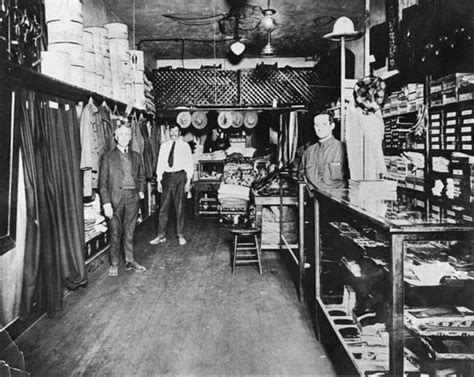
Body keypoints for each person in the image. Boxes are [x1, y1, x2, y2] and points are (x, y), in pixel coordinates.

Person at [99, 124, 147, 276]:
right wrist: (106, 203)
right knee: (115, 233)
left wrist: (140, 191)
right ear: (116, 137)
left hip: (132, 198)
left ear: (131, 137)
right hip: (114, 200)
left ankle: (130, 260)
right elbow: (102, 183)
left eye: (127, 134)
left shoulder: (136, 156)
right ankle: (114, 263)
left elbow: (141, 176)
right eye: (122, 134)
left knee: (130, 232)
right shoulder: (107, 157)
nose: (125, 137)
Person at [150, 123, 194, 246]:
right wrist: (159, 180)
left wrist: (188, 181)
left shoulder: (185, 146)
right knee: (163, 208)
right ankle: (161, 235)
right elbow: (160, 163)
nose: (174, 134)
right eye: (172, 131)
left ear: (180, 132)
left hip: (180, 177)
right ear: (169, 132)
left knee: (179, 207)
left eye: (176, 131)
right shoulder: (164, 146)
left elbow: (189, 164)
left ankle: (180, 234)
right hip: (167, 178)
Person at [300, 112, 347, 191]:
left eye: (324, 124)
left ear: (332, 126)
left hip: (336, 200)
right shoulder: (308, 152)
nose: (320, 128)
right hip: (314, 200)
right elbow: (302, 176)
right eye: (316, 125)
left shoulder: (343, 150)